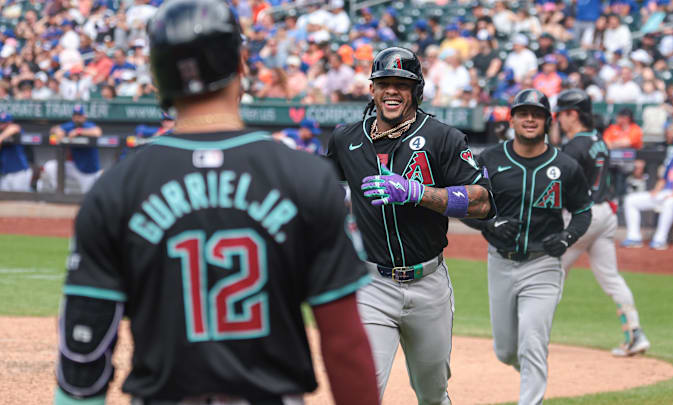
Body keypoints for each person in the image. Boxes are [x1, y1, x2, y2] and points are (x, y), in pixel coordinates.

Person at [54, 2, 380, 405]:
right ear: (242, 64)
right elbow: (345, 343)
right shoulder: (307, 179)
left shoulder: (115, 189)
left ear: (158, 76)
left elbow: (82, 361)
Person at [326, 46, 495, 405]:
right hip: (372, 284)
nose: (391, 91)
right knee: (362, 390)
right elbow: (324, 195)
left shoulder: (442, 137)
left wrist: (418, 193)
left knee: (432, 394)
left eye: (401, 84)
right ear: (371, 89)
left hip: (428, 284)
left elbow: (482, 201)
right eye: (383, 82)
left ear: (415, 89)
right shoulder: (346, 139)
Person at [462, 89, 592, 405]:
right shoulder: (489, 159)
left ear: (548, 120)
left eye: (537, 114)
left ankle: (531, 395)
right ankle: (531, 372)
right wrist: (487, 224)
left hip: (543, 264)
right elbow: (465, 204)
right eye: (523, 113)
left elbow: (583, 211)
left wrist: (567, 238)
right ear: (513, 119)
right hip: (500, 262)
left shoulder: (565, 165)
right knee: (506, 350)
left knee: (533, 342)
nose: (530, 119)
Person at [554, 89, 651, 357]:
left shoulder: (573, 146)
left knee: (550, 273)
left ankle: (531, 336)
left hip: (583, 216)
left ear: (573, 114)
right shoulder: (599, 139)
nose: (558, 119)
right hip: (606, 214)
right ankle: (635, 333)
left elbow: (560, 187)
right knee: (610, 278)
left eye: (561, 114)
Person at [622, 129, 673, 250]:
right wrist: (656, 191)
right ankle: (634, 237)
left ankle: (660, 240)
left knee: (669, 202)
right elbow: (663, 179)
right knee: (631, 200)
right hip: (666, 193)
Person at [39, 104, 103, 194]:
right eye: (75, 116)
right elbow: (55, 129)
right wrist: (58, 132)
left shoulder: (88, 125)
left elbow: (98, 132)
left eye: (79, 116)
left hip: (89, 172)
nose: (77, 118)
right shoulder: (71, 126)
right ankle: (62, 192)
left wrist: (79, 132)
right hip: (75, 167)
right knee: (50, 166)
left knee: (88, 198)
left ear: (84, 117)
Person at [0, 112, 32, 191]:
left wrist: (1, 137)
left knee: (21, 200)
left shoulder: (14, 130)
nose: (1, 125)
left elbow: (15, 128)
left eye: (4, 123)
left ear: (10, 122)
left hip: (19, 173)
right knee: (6, 201)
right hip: (5, 174)